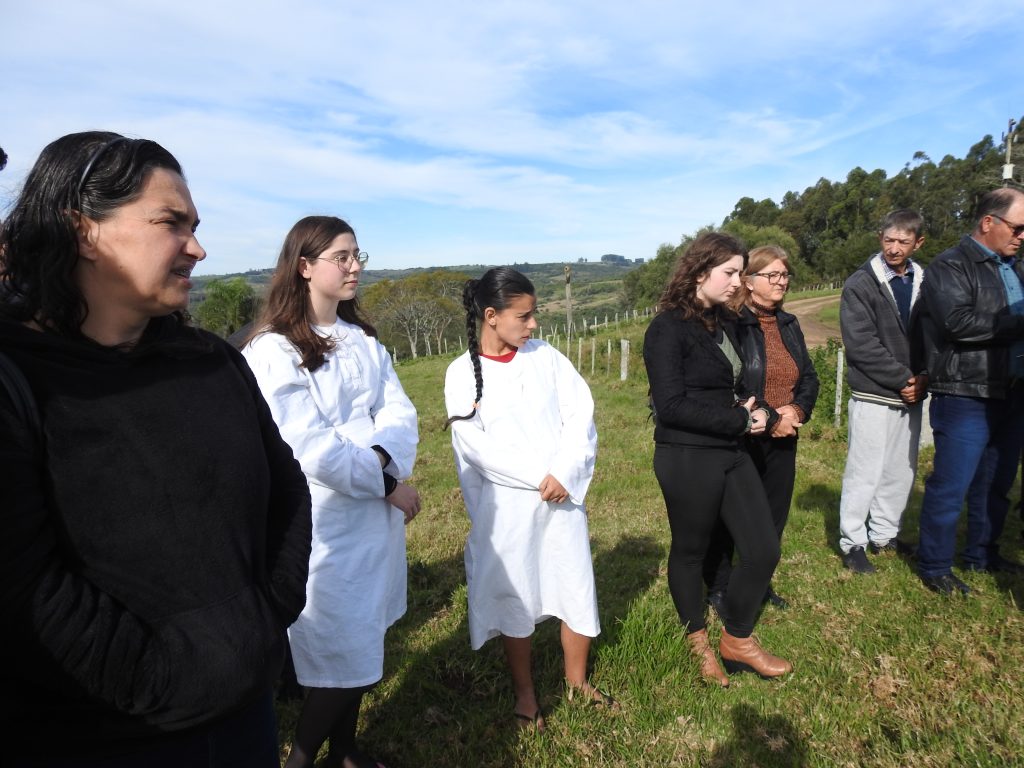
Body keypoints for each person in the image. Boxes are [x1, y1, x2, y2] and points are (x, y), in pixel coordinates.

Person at [0, 131, 312, 767]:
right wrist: (151, 679)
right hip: (99, 736)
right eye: (171, 223)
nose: (196, 248)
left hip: (245, 713)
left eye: (194, 226)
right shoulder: (18, 381)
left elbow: (287, 488)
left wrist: (265, 616)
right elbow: (22, 584)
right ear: (83, 229)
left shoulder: (213, 362)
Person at [242, 215, 420, 768]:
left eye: (356, 255)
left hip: (373, 524)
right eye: (341, 257)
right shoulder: (272, 352)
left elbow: (398, 410)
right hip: (322, 526)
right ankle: (299, 761)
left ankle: (346, 752)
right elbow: (307, 445)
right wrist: (385, 478)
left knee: (362, 646)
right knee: (338, 652)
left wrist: (382, 461)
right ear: (304, 266)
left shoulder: (363, 340)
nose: (355, 267)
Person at [444, 267, 612, 732]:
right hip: (510, 508)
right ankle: (526, 694)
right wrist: (539, 477)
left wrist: (565, 471)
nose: (533, 324)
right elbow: (474, 446)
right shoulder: (462, 373)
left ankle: (576, 682)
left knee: (572, 582)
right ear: (492, 316)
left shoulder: (547, 358)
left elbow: (581, 413)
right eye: (526, 315)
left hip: (562, 498)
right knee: (517, 592)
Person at [644, 232, 791, 688]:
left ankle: (737, 639)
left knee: (763, 549)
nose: (736, 283)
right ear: (699, 270)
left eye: (739, 273)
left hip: (730, 450)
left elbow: (734, 387)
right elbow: (669, 406)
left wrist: (760, 410)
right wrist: (738, 421)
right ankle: (697, 641)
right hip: (687, 455)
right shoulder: (666, 328)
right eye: (729, 272)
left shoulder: (721, 323)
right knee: (690, 552)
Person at [916, 188, 1024, 595]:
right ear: (988, 222)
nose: (1022, 236)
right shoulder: (950, 265)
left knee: (996, 483)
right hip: (966, 394)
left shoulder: (1015, 268)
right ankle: (935, 565)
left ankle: (982, 553)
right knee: (952, 484)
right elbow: (958, 324)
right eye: (1018, 227)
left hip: (1012, 392)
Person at [705, 245, 819, 611]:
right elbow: (737, 384)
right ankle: (720, 588)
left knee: (773, 517)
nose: (781, 281)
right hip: (746, 436)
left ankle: (757, 583)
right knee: (731, 519)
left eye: (784, 274)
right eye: (772, 275)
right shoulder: (734, 325)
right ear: (750, 282)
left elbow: (810, 376)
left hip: (786, 435)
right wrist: (772, 420)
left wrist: (797, 410)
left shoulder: (789, 324)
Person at [837, 210, 928, 574]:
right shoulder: (860, 284)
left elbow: (934, 336)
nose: (894, 248)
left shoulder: (925, 280)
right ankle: (852, 541)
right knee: (864, 470)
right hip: (875, 393)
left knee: (900, 470)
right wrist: (905, 379)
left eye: (903, 242)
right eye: (888, 240)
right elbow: (861, 345)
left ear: (918, 243)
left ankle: (885, 534)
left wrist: (924, 377)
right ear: (880, 238)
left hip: (914, 393)